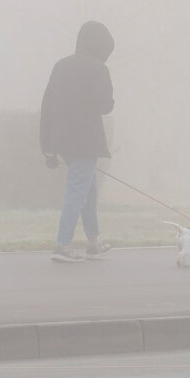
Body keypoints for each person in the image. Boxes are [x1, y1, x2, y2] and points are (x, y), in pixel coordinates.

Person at [40, 21, 115, 262]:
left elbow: (47, 105)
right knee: (77, 192)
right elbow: (105, 106)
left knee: (88, 190)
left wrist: (48, 147)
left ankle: (94, 242)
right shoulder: (99, 69)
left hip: (63, 142)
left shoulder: (60, 66)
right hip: (86, 142)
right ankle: (62, 245)